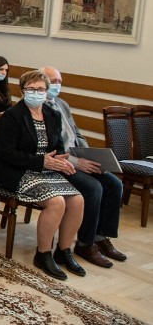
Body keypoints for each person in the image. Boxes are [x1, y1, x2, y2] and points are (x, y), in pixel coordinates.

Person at [0, 70, 85, 281]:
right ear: (22, 91)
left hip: (45, 168)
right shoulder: (12, 115)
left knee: (77, 200)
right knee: (56, 202)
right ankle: (43, 253)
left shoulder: (53, 114)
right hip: (16, 170)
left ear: (47, 92)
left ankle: (64, 250)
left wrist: (61, 160)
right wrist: (41, 161)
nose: (36, 93)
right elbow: (6, 152)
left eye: (40, 89)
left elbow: (56, 146)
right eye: (31, 89)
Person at [43, 65, 126, 268]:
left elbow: (77, 134)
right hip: (60, 163)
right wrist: (75, 162)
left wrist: (88, 154)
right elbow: (47, 147)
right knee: (93, 187)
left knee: (114, 184)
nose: (57, 85)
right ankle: (85, 243)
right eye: (52, 81)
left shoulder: (62, 104)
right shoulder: (38, 108)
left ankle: (100, 236)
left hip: (79, 157)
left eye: (59, 82)